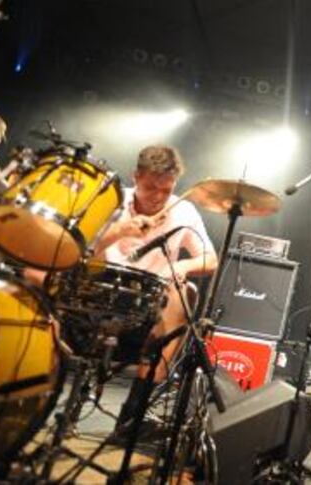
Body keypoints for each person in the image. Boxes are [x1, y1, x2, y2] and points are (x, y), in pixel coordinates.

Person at [93, 145, 218, 431]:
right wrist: (120, 231)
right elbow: (77, 249)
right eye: (151, 187)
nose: (158, 197)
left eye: (166, 189)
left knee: (186, 293)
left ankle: (133, 413)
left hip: (151, 303)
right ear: (136, 176)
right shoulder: (113, 200)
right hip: (102, 288)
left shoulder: (183, 210)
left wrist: (182, 268)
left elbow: (210, 259)